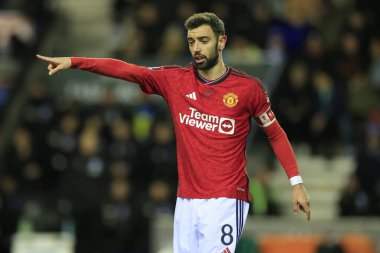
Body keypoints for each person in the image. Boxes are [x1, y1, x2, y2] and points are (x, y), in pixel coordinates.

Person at [37, 12, 310, 253]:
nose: (196, 48)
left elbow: (275, 133)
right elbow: (128, 70)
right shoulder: (174, 80)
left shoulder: (248, 89)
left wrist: (296, 183)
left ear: (221, 42)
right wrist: (75, 61)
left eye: (203, 40)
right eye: (191, 42)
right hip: (186, 200)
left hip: (226, 198)